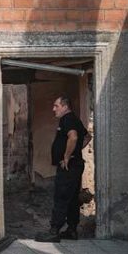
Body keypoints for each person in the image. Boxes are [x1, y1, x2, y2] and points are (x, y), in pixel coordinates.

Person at [36, 95, 91, 243]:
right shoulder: (74, 119)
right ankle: (72, 230)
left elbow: (73, 137)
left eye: (56, 106)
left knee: (61, 197)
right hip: (75, 165)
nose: (53, 109)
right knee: (72, 198)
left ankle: (54, 231)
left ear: (65, 106)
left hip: (69, 166)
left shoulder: (67, 119)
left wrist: (67, 156)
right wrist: (76, 151)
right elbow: (87, 137)